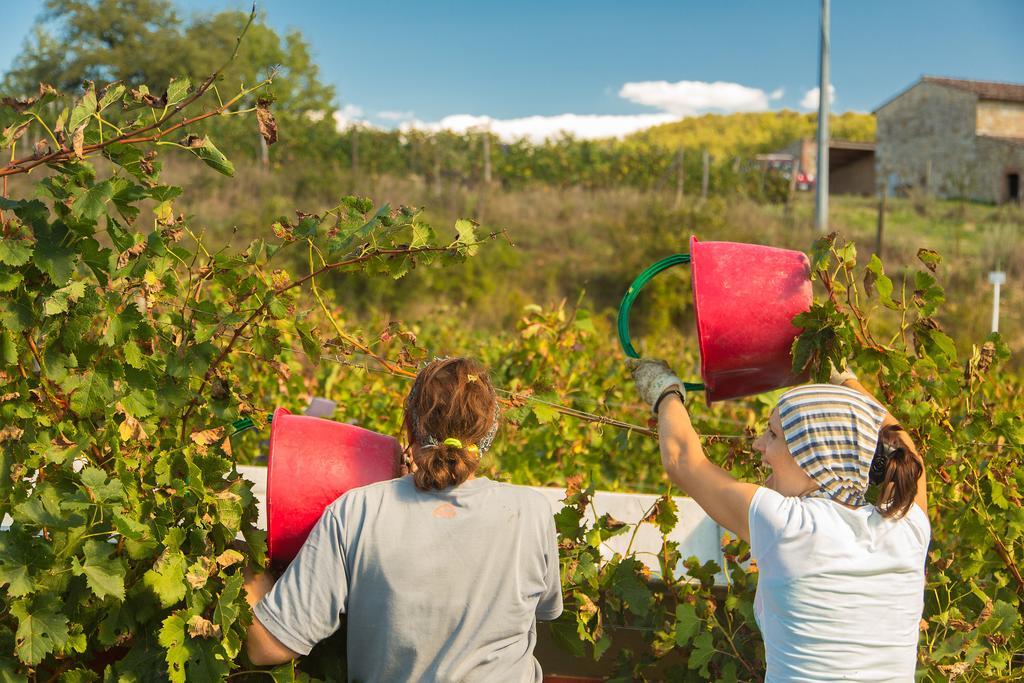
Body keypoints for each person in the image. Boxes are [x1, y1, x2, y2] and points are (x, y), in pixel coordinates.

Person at [243, 357, 563, 682]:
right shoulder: (531, 513)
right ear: (489, 431)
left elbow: (266, 647)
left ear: (409, 425)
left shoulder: (357, 511)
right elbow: (545, 610)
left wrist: (250, 566)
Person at [629, 359, 929, 682]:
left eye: (772, 434)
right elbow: (903, 446)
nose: (758, 444)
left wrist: (664, 392)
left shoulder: (789, 526)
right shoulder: (907, 527)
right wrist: (843, 378)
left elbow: (681, 458)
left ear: (809, 455)